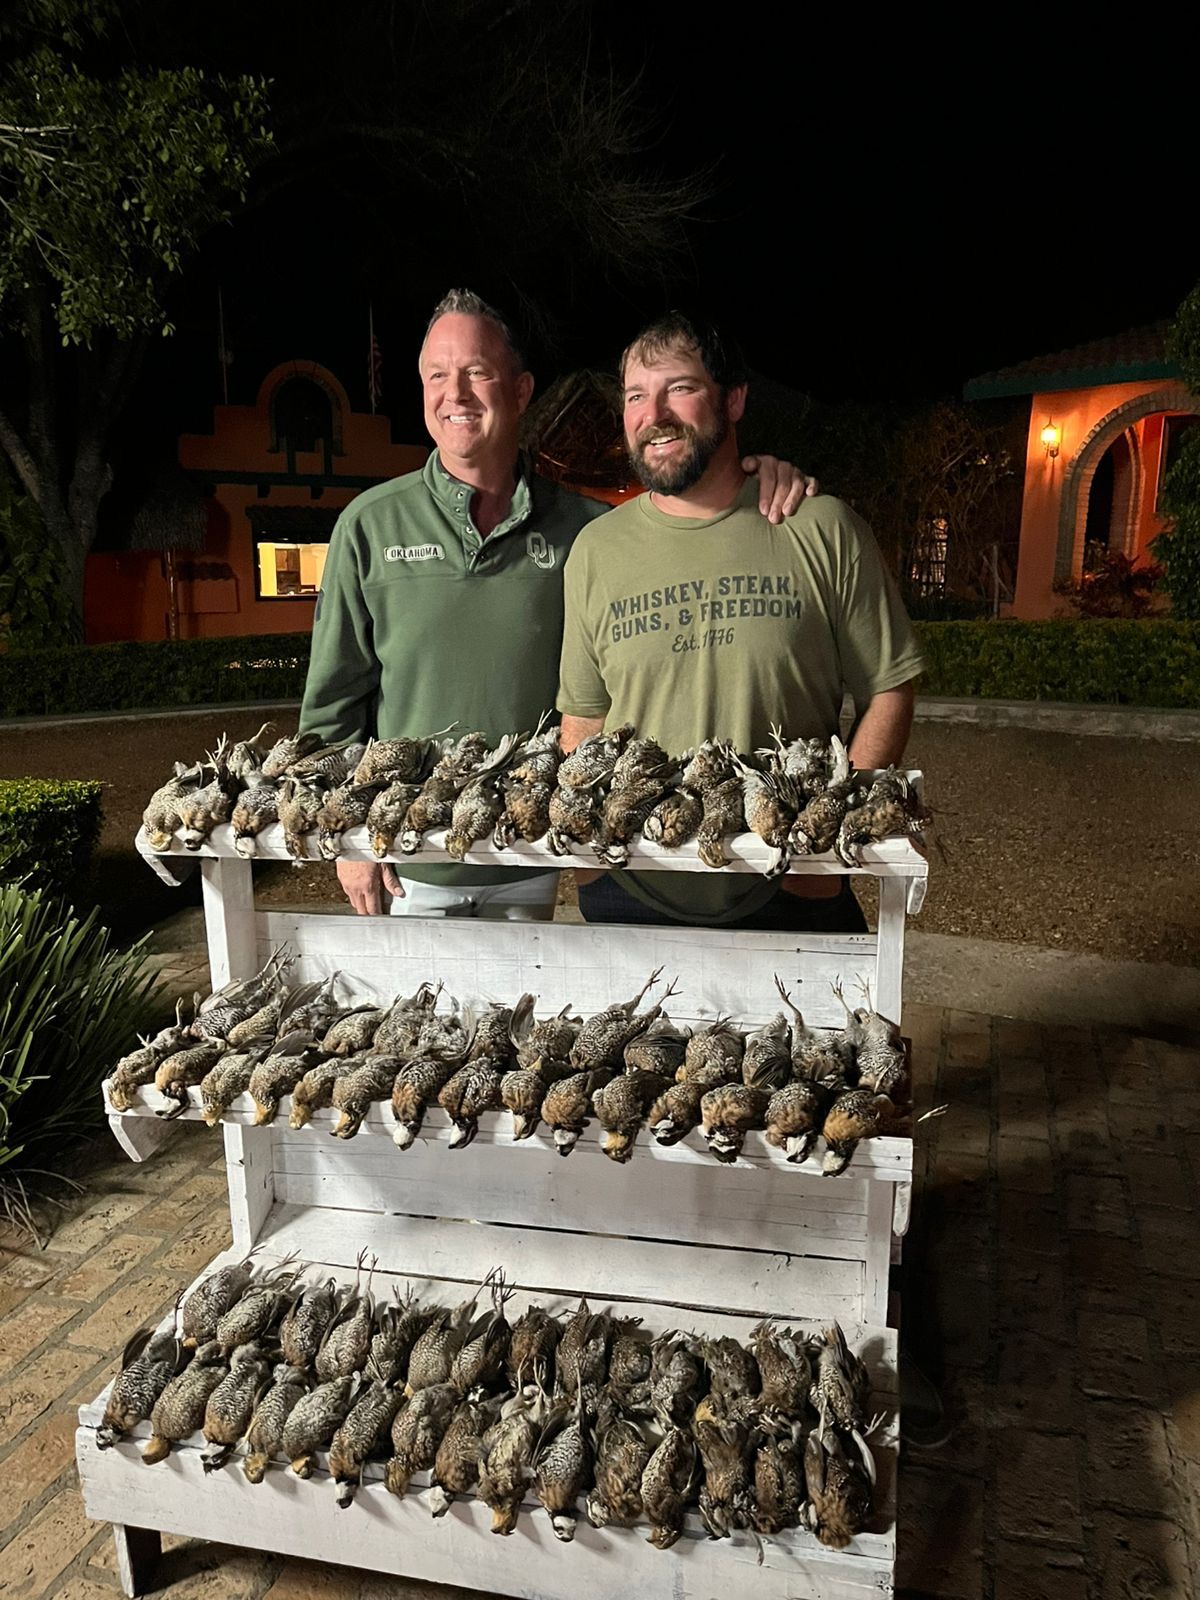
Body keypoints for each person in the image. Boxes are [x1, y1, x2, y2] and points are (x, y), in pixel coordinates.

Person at [299, 289, 816, 920]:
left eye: (476, 374)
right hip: (408, 862)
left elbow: (686, 516)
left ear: (519, 392)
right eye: (436, 375)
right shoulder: (368, 526)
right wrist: (347, 839)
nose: (454, 394)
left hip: (530, 857)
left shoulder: (589, 531)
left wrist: (761, 474)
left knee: (523, 1018)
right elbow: (331, 707)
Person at [557, 311, 925, 930]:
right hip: (629, 891)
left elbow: (889, 687)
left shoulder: (822, 527)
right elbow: (584, 719)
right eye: (636, 396)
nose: (655, 414)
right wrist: (592, 863)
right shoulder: (596, 550)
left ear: (733, 400)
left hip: (789, 887)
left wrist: (827, 842)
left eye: (680, 387)